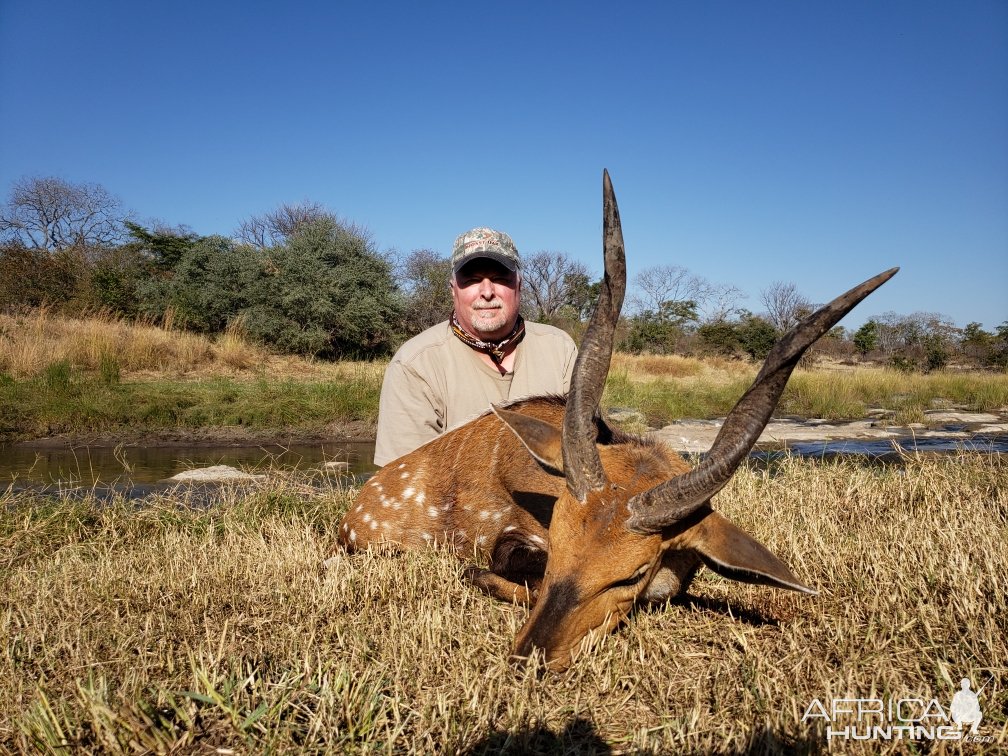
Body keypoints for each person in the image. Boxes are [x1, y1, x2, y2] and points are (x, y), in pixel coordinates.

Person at [373, 227, 577, 466]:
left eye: (500, 279)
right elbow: (404, 482)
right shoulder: (414, 364)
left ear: (519, 286)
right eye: (471, 280)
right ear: (453, 291)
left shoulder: (561, 349)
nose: (487, 292)